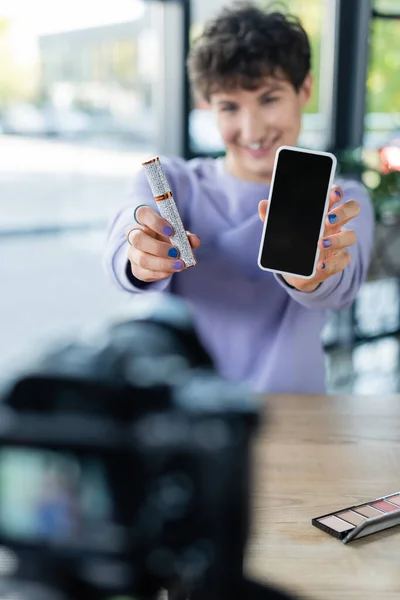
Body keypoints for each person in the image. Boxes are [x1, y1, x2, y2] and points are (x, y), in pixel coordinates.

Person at [104, 2, 374, 394]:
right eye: (230, 106)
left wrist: (312, 278)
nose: (252, 129)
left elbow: (340, 287)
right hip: (188, 411)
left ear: (305, 90)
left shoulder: (341, 199)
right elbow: (124, 241)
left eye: (269, 99)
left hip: (294, 416)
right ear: (208, 107)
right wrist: (139, 257)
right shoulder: (173, 183)